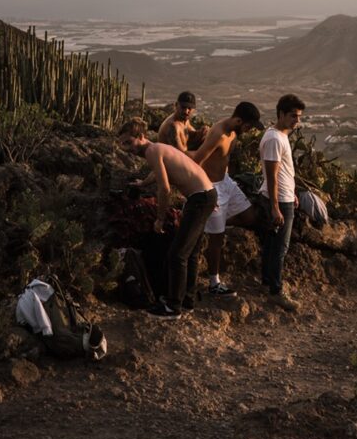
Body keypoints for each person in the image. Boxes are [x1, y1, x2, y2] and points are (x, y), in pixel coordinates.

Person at [118, 117, 217, 320]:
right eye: (122, 144)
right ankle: (187, 300)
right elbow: (160, 172)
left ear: (141, 137)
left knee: (177, 254)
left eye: (129, 142)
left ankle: (173, 306)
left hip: (200, 198)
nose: (126, 148)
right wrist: (143, 183)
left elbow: (164, 188)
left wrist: (160, 218)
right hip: (206, 194)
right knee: (190, 253)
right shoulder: (157, 148)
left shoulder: (153, 151)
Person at [189, 101, 264, 296]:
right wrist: (204, 192)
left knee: (250, 217)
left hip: (227, 182)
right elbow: (197, 162)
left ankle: (212, 224)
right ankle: (214, 283)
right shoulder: (219, 134)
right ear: (238, 120)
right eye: (247, 126)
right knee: (217, 239)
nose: (248, 131)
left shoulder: (233, 132)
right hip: (212, 186)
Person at [259, 94, 305, 312]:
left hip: (285, 197)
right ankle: (276, 292)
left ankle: (268, 283)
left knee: (271, 244)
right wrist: (276, 206)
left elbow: (284, 172)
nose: (297, 121)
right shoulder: (275, 139)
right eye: (293, 116)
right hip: (278, 200)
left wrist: (293, 192)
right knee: (280, 247)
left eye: (299, 117)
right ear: (281, 114)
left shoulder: (279, 135)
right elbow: (272, 175)